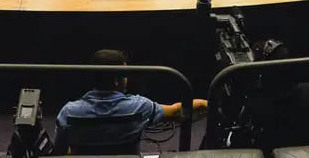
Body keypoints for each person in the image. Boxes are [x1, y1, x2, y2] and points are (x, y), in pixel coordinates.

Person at [55, 49, 207, 155]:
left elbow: (59, 150)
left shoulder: (68, 112)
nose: (126, 79)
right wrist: (210, 104)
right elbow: (177, 110)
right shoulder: (138, 107)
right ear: (116, 81)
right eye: (124, 75)